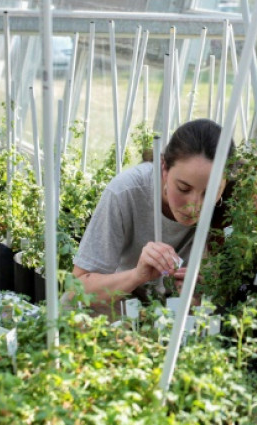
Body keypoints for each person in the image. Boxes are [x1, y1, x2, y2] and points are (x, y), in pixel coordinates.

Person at [73, 118, 229, 308]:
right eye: (183, 188)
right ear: (164, 168)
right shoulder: (126, 192)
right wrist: (137, 276)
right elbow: (76, 290)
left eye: (209, 193)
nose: (194, 207)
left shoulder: (235, 206)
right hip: (123, 308)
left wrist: (201, 295)